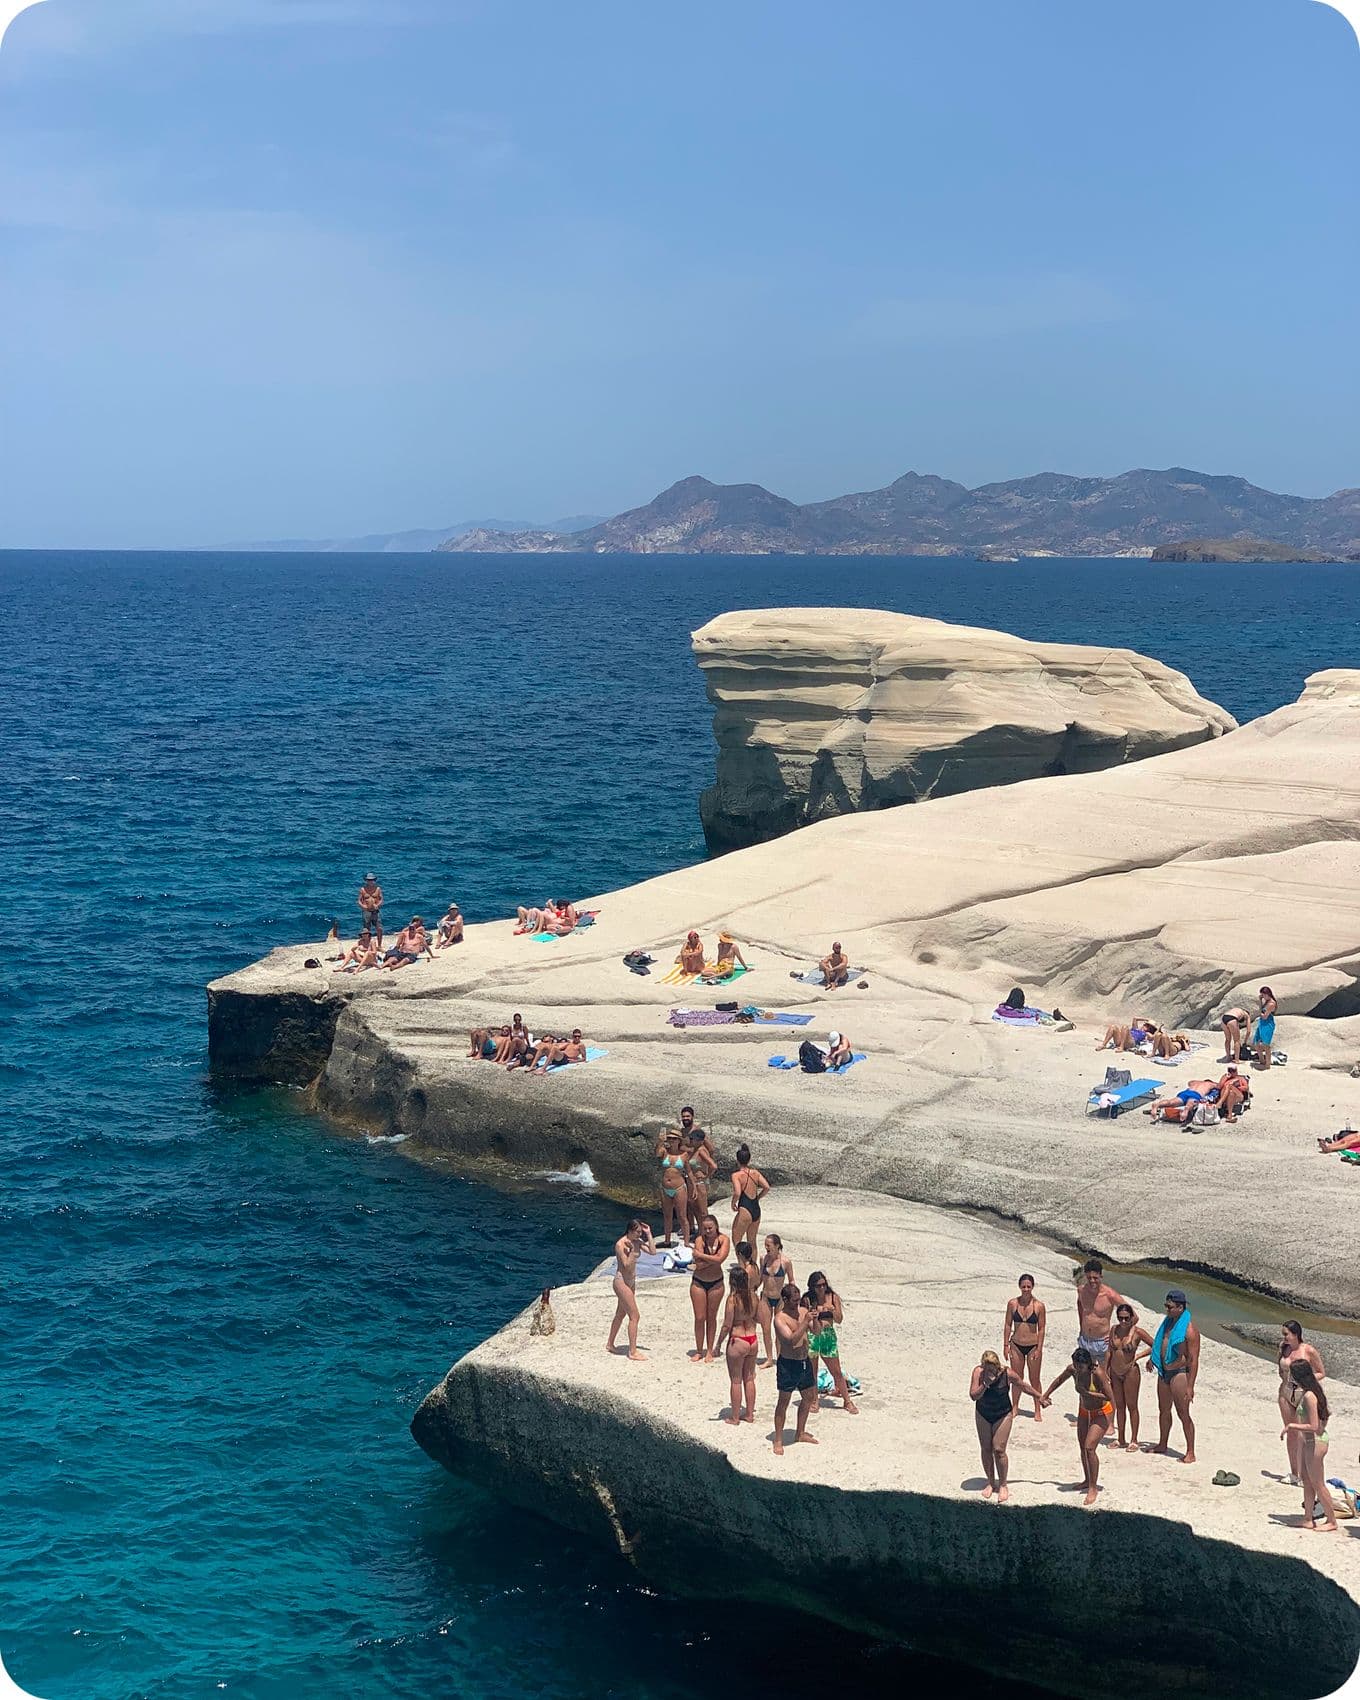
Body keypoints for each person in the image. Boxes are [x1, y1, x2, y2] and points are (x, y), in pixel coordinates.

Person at [1043, 1347, 1114, 1506]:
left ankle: (1093, 1488)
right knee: (1082, 1446)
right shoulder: (1073, 1370)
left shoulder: (1097, 1374)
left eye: (1080, 1367)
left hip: (1101, 1412)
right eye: (1075, 1365)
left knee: (1090, 1447)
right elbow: (1059, 1380)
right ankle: (1087, 1479)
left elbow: (1109, 1397)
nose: (1078, 1369)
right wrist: (1045, 1395)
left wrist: (1088, 1393)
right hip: (1084, 1410)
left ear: (1088, 1364)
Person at [971, 1349, 1043, 1503]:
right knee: (986, 1448)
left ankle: (1003, 1484)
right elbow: (973, 1396)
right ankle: (990, 1482)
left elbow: (1023, 1385)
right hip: (983, 1412)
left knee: (999, 1449)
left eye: (991, 1368)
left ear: (997, 1365)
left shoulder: (1007, 1373)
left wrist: (1039, 1397)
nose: (988, 1370)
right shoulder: (978, 1372)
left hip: (1003, 1413)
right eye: (986, 1367)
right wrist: (985, 1384)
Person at [1282, 1359, 1337, 1531]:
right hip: (1308, 1441)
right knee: (1306, 1480)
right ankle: (1308, 1518)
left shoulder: (1309, 1396)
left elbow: (1314, 1426)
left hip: (1316, 1442)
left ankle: (1332, 1520)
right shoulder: (1310, 1392)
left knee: (1318, 1483)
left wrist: (1292, 1426)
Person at [1146, 1289, 1199, 1463]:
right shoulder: (1167, 1323)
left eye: (1170, 1307)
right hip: (1164, 1370)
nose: (1167, 1309)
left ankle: (1190, 1451)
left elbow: (1192, 1359)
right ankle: (1162, 1443)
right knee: (1163, 1410)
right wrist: (1153, 1358)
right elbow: (1161, 1343)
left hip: (1179, 1374)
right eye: (1166, 1306)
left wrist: (1190, 1386)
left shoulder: (1189, 1330)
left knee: (1183, 1413)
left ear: (1180, 1307)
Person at [1278, 1322, 1327, 1485]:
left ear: (1295, 1334)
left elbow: (1321, 1372)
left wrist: (1304, 1381)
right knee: (1290, 1432)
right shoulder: (1283, 1348)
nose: (1284, 1337)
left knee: (1303, 1434)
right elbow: (1281, 1368)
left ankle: (1305, 1473)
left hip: (1302, 1394)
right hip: (1285, 1393)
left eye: (1286, 1334)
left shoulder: (1308, 1350)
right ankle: (1294, 1473)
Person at [803, 1270, 858, 1414]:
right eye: (818, 1286)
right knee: (812, 1371)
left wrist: (832, 1310)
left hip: (828, 1335)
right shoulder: (807, 1299)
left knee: (836, 1371)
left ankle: (847, 1401)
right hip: (812, 1335)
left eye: (823, 1285)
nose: (821, 1288)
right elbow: (802, 1317)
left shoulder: (833, 1297)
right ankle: (815, 1401)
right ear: (812, 1287)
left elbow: (839, 1319)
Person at [772, 1284, 817, 1455]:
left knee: (808, 1397)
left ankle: (800, 1432)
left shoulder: (803, 1312)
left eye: (799, 1301)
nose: (797, 1305)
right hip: (788, 1364)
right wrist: (805, 1323)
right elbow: (790, 1340)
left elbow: (817, 1332)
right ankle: (778, 1439)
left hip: (804, 1361)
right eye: (794, 1301)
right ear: (785, 1300)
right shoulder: (780, 1319)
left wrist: (815, 1319)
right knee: (783, 1402)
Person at [715, 1266, 760, 1424]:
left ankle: (735, 1417)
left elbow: (727, 1325)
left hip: (738, 1340)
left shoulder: (733, 1299)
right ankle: (749, 1414)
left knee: (736, 1380)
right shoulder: (754, 1296)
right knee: (749, 1378)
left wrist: (718, 1344)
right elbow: (759, 1318)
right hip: (752, 1339)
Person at [606, 1219, 654, 1361]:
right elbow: (626, 1265)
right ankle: (632, 1352)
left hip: (631, 1282)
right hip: (621, 1282)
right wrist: (633, 1251)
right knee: (635, 1316)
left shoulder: (638, 1242)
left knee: (620, 1314)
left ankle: (610, 1343)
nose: (640, 1235)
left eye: (641, 1232)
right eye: (637, 1232)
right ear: (630, 1230)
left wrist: (649, 1234)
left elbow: (652, 1251)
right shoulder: (621, 1244)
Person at [1108, 1303, 1154, 1450]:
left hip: (1130, 1371)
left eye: (1126, 1318)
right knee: (1119, 1406)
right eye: (1120, 1318)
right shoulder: (1113, 1330)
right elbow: (1109, 1351)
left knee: (1132, 1406)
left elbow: (1156, 1345)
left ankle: (1134, 1439)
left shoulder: (1138, 1333)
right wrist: (1105, 1370)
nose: (1123, 1321)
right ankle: (1121, 1438)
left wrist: (1140, 1355)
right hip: (1115, 1371)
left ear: (1131, 1318)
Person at [1075, 1259, 1137, 1367]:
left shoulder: (1110, 1295)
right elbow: (1080, 1304)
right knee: (1085, 1373)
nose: (1092, 1281)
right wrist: (1081, 1326)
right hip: (1085, 1339)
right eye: (1089, 1278)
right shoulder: (1081, 1290)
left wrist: (1117, 1334)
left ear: (1101, 1276)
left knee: (1104, 1376)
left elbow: (1134, 1317)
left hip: (1102, 1342)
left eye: (1095, 1278)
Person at [1004, 1274, 1047, 1421]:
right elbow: (1008, 1324)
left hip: (1033, 1346)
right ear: (1019, 1286)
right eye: (1023, 1286)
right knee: (1017, 1378)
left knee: (1034, 1379)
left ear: (1033, 1287)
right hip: (1016, 1344)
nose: (1026, 1289)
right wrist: (1005, 1345)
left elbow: (1041, 1328)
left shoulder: (1039, 1306)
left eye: (1029, 1286)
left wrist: (1040, 1348)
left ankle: (1037, 1409)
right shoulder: (1012, 1304)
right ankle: (1015, 1406)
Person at [689, 1214, 731, 1363]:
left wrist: (701, 1255)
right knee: (700, 1317)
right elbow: (699, 1264)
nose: (707, 1231)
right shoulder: (700, 1240)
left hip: (716, 1282)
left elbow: (720, 1259)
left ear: (716, 1227)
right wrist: (712, 1260)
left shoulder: (724, 1239)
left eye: (710, 1228)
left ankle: (709, 1350)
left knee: (711, 1317)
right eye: (705, 1228)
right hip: (699, 1281)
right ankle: (699, 1350)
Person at [757, 1233, 794, 1367]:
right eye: (765, 1245)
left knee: (779, 1330)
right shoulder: (763, 1259)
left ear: (777, 1246)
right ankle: (769, 1358)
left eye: (769, 1245)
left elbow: (791, 1280)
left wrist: (793, 1297)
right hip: (766, 1297)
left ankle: (780, 1357)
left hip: (780, 1299)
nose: (766, 1247)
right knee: (765, 1329)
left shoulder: (786, 1262)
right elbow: (761, 1277)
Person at [730, 1144, 769, 1256]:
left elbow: (737, 1192)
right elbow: (766, 1187)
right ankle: (753, 1267)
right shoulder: (755, 1173)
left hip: (745, 1208)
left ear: (737, 1160)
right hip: (756, 1207)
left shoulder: (736, 1175)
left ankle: (742, 1266)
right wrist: (758, 1197)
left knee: (736, 1239)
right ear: (749, 1159)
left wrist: (733, 1203)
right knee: (752, 1241)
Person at [654, 1130, 691, 1248]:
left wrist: (693, 1187)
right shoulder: (665, 1152)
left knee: (682, 1215)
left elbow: (689, 1172)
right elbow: (657, 1154)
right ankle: (667, 1240)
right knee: (667, 1215)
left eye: (673, 1139)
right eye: (669, 1138)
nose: (671, 1141)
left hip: (679, 1187)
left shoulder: (684, 1154)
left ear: (679, 1141)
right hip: (665, 1187)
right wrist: (660, 1142)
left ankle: (686, 1242)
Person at [683, 1119, 717, 1239]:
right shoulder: (694, 1151)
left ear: (699, 1141)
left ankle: (709, 1233)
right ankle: (701, 1232)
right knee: (694, 1208)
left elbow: (713, 1166)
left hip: (700, 1183)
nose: (690, 1141)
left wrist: (706, 1175)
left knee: (703, 1211)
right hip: (692, 1183)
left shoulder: (702, 1151)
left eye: (692, 1139)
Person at [1253, 986, 1278, 1071]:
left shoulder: (1271, 1003)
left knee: (1266, 1045)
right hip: (1262, 1024)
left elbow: (1264, 1016)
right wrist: (1260, 1001)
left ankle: (1268, 1064)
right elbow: (1262, 1010)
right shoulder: (1266, 1001)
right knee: (1257, 1042)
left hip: (1267, 1024)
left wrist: (1260, 1014)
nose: (1263, 996)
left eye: (1263, 995)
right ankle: (1262, 1060)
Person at [358, 873, 384, 947]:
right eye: (369, 880)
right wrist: (363, 906)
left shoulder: (378, 889)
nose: (370, 881)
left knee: (379, 928)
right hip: (366, 911)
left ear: (374, 880)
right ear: (366, 880)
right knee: (367, 930)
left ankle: (379, 945)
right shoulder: (363, 889)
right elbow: (359, 900)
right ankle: (368, 945)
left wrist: (378, 905)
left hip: (375, 911)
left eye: (372, 880)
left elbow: (381, 899)